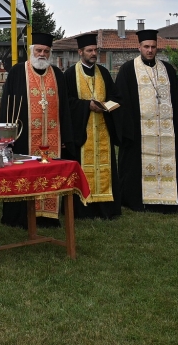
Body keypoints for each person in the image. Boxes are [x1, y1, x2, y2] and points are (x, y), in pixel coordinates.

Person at [0, 32, 73, 228]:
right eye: (38, 50)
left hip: (52, 138)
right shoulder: (17, 72)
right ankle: (21, 216)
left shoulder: (57, 74)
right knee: (23, 173)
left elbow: (64, 107)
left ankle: (46, 216)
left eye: (46, 51)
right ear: (31, 51)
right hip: (23, 139)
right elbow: (7, 105)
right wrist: (5, 137)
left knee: (50, 172)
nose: (42, 54)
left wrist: (66, 135)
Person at [114, 29, 178, 213]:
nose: (149, 50)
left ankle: (166, 199)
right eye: (146, 47)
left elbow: (177, 101)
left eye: (153, 47)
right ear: (139, 47)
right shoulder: (128, 70)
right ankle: (137, 200)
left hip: (164, 131)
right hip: (139, 132)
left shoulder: (168, 70)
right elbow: (121, 101)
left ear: (157, 48)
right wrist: (127, 130)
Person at [64, 33, 121, 219]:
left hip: (103, 129)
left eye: (95, 50)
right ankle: (84, 208)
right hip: (83, 131)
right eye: (89, 50)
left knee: (106, 169)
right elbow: (67, 103)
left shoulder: (103, 72)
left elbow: (115, 96)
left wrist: (108, 105)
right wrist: (86, 106)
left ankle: (106, 209)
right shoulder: (71, 74)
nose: (93, 53)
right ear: (80, 52)